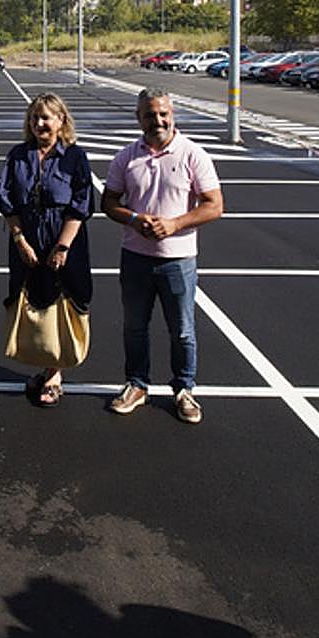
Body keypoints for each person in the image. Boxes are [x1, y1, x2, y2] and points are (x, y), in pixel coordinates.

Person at [102, 87, 223, 423]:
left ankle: (184, 389)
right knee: (134, 327)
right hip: (135, 257)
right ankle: (137, 384)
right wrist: (135, 219)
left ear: (172, 114)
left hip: (178, 260)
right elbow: (108, 203)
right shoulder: (126, 157)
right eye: (149, 114)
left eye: (163, 113)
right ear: (138, 118)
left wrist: (175, 224)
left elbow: (215, 205)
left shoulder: (192, 154)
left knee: (182, 330)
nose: (157, 120)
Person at [0, 92, 94, 406]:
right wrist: (20, 240)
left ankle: (55, 373)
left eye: (47, 117)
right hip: (26, 240)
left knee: (63, 303)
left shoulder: (74, 156)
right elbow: (7, 200)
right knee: (35, 304)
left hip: (65, 240)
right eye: (35, 117)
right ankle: (45, 363)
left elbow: (81, 203)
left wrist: (63, 246)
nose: (40, 123)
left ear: (61, 121)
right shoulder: (17, 155)